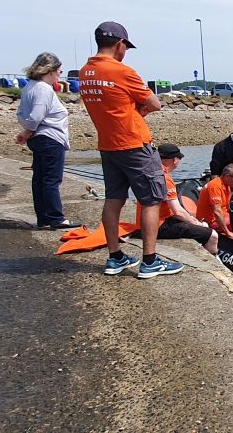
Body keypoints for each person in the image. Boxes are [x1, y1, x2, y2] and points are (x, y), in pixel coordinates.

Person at [79, 21, 183, 278]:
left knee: (113, 198)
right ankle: (150, 261)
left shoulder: (84, 72)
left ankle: (115, 257)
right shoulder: (122, 71)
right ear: (119, 44)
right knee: (152, 200)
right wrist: (139, 110)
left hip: (108, 145)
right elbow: (155, 103)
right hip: (134, 144)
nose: (125, 52)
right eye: (126, 46)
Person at [15, 52, 81, 230]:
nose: (60, 74)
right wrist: (28, 130)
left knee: (40, 179)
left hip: (39, 139)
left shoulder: (29, 87)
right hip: (50, 139)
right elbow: (37, 115)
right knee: (51, 179)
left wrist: (27, 131)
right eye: (59, 70)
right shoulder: (44, 88)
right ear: (50, 70)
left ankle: (43, 218)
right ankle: (56, 218)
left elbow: (21, 114)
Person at [150, 144, 218, 258]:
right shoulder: (165, 178)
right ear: (175, 160)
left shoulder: (151, 171)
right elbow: (178, 211)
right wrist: (198, 224)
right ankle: (215, 263)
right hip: (159, 225)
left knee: (191, 222)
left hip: (149, 221)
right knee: (212, 235)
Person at [197, 163, 233, 239]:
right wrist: (228, 233)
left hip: (223, 216)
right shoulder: (215, 186)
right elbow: (217, 211)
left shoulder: (226, 185)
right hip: (210, 221)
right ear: (227, 176)